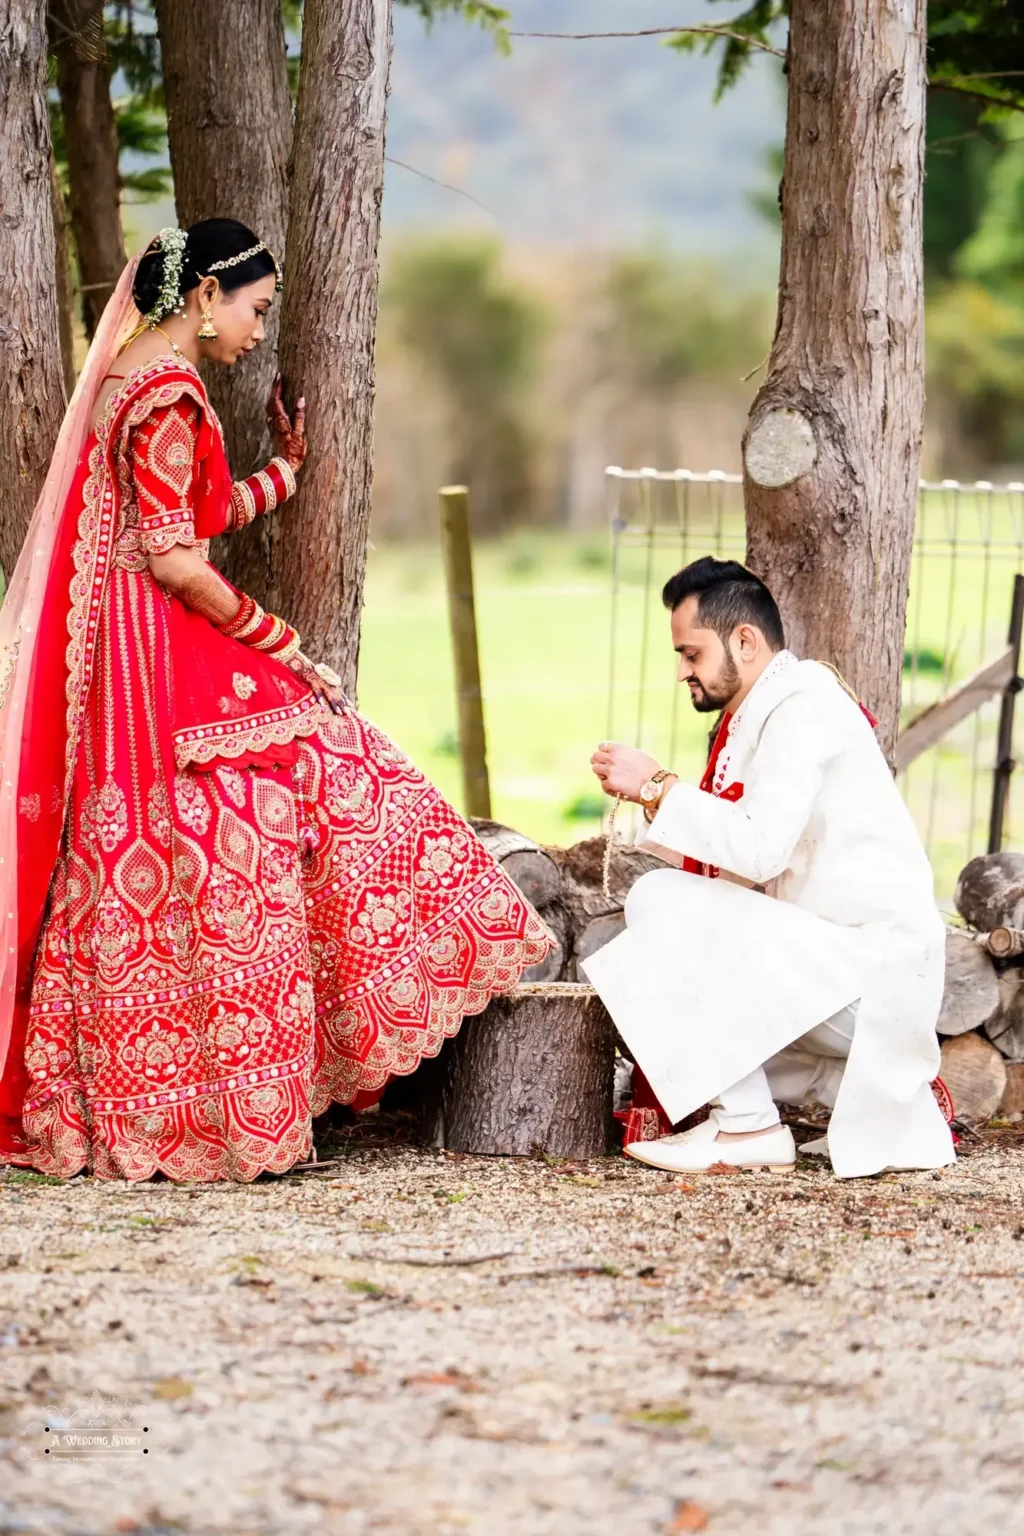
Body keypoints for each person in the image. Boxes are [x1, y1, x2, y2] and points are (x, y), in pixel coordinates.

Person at [0, 221, 551, 1181]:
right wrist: (276, 639)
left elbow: (182, 516)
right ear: (206, 293)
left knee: (170, 844)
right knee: (327, 764)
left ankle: (156, 1099)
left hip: (123, 648)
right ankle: (250, 1090)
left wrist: (282, 478)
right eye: (255, 310)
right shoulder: (169, 391)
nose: (259, 333)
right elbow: (173, 555)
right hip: (154, 651)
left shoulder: (131, 374)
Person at [584, 556, 955, 1179]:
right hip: (833, 965)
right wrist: (655, 799)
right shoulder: (764, 713)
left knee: (659, 901)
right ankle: (803, 1106)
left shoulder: (803, 707)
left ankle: (748, 1125)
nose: (683, 671)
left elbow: (758, 852)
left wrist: (656, 786)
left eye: (692, 653)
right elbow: (742, 867)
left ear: (745, 641)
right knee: (662, 928)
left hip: (873, 976)